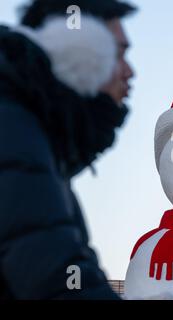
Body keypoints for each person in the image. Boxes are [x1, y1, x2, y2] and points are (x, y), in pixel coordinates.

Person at [0, 0, 136, 299]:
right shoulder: (12, 125)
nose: (130, 72)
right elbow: (53, 276)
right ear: (78, 49)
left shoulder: (32, 133)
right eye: (120, 53)